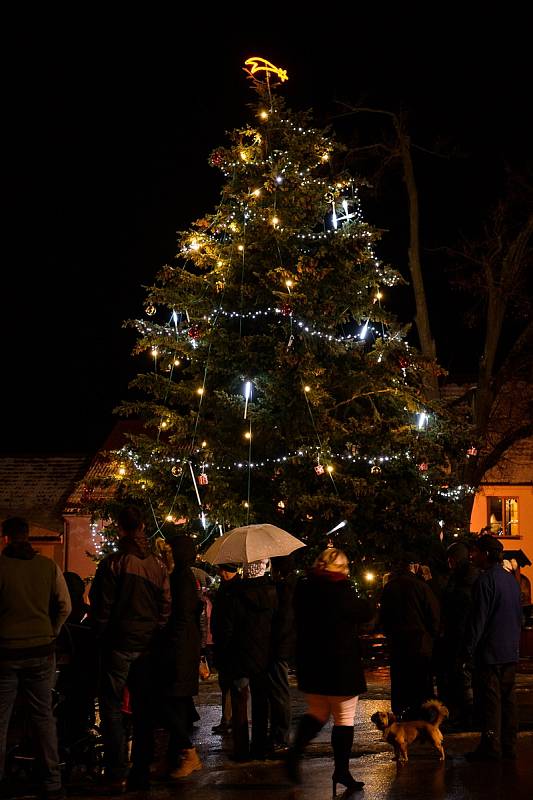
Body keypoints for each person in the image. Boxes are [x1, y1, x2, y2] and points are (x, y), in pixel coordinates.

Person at [89, 506, 171, 792]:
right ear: (144, 527)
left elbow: (102, 606)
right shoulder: (158, 565)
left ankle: (116, 771)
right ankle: (141, 769)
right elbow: (165, 607)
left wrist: (102, 633)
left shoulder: (115, 562)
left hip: (119, 643)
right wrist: (154, 632)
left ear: (121, 528)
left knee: (111, 706)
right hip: (146, 645)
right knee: (143, 707)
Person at [287, 548, 372, 797]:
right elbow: (363, 611)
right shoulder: (341, 591)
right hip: (341, 664)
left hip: (312, 663)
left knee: (318, 711)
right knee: (344, 718)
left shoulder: (304, 589)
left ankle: (295, 752)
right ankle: (341, 771)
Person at [0, 516, 71, 800]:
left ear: (5, 537)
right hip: (42, 649)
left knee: (1, 718)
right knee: (43, 716)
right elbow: (65, 606)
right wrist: (50, 632)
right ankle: (52, 780)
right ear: (28, 536)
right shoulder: (47, 567)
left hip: (5, 650)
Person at [464, 534, 522, 761]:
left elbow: (478, 620)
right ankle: (510, 745)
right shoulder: (511, 580)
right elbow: (519, 616)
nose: (472, 555)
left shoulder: (485, 581)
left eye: (476, 551)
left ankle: (491, 747)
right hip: (509, 650)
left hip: (490, 652)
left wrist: (467, 650)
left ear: (486, 554)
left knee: (491, 703)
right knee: (508, 700)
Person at [152, 535, 204, 780]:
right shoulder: (182, 577)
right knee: (178, 703)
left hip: (179, 650)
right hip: (184, 648)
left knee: (165, 701)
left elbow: (181, 617)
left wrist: (169, 643)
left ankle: (190, 753)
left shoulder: (181, 578)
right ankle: (174, 757)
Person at [216, 559, 277, 762]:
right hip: (263, 656)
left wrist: (222, 652)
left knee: (240, 702)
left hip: (239, 655)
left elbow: (227, 627)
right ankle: (259, 746)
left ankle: (241, 749)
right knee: (261, 702)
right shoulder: (271, 593)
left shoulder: (235, 594)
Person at [378, 552, 440, 720]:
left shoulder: (389, 587)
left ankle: (402, 713)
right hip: (420, 644)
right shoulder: (422, 587)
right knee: (421, 683)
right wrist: (431, 637)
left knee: (400, 681)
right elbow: (434, 616)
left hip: (398, 644)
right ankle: (422, 716)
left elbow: (383, 618)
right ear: (414, 566)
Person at [437, 541, 479, 730]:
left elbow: (457, 607)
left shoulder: (463, 581)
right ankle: (464, 715)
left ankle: (466, 716)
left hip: (461, 636)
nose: (449, 562)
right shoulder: (465, 577)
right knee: (460, 678)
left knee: (462, 678)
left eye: (451, 559)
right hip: (460, 635)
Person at [268, 554, 298, 755]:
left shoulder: (283, 589)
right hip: (285, 645)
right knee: (279, 691)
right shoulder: (293, 587)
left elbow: (282, 622)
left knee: (279, 692)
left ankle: (281, 736)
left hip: (280, 647)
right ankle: (279, 734)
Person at [209, 563, 241, 734]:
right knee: (225, 684)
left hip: (230, 644)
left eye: (222, 569)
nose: (220, 573)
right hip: (223, 642)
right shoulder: (225, 587)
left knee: (233, 685)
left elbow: (229, 618)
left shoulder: (234, 589)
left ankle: (233, 720)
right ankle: (227, 718)